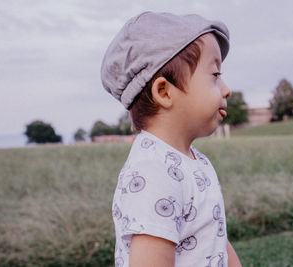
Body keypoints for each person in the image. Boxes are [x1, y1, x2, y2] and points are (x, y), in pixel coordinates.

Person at [101, 11, 242, 267]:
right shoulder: (153, 173)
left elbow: (214, 236)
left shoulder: (194, 161)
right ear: (164, 92)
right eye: (215, 75)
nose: (226, 89)